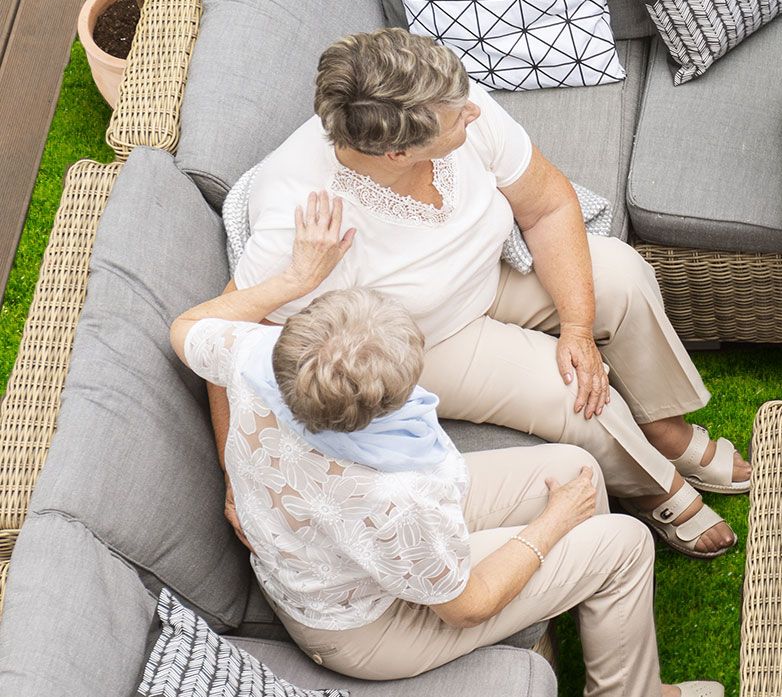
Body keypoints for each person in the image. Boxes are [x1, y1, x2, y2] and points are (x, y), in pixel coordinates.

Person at [169, 201, 724, 697]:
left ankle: (635, 692)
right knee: (622, 545)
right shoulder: (398, 494)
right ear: (380, 409)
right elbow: (465, 605)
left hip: (338, 547)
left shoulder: (262, 361)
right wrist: (554, 524)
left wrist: (296, 278)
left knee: (576, 469)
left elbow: (187, 326)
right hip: (362, 624)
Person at [224, 28, 745, 561]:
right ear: (398, 150)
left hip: (495, 269)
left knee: (622, 274)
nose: (474, 111)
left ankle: (664, 428)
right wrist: (235, 472)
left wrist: (577, 326)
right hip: (429, 339)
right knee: (574, 392)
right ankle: (654, 487)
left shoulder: (450, 99)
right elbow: (232, 344)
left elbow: (548, 206)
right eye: (456, 118)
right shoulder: (299, 220)